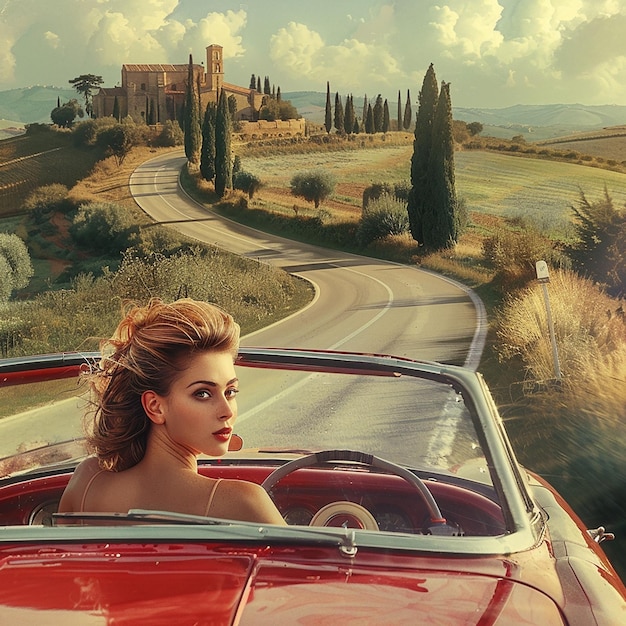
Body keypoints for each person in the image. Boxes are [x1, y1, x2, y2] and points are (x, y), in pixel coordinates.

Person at [58, 298, 285, 525]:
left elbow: (60, 559)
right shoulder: (243, 504)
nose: (226, 411)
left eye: (230, 391)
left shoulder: (87, 481)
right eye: (203, 394)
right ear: (155, 407)